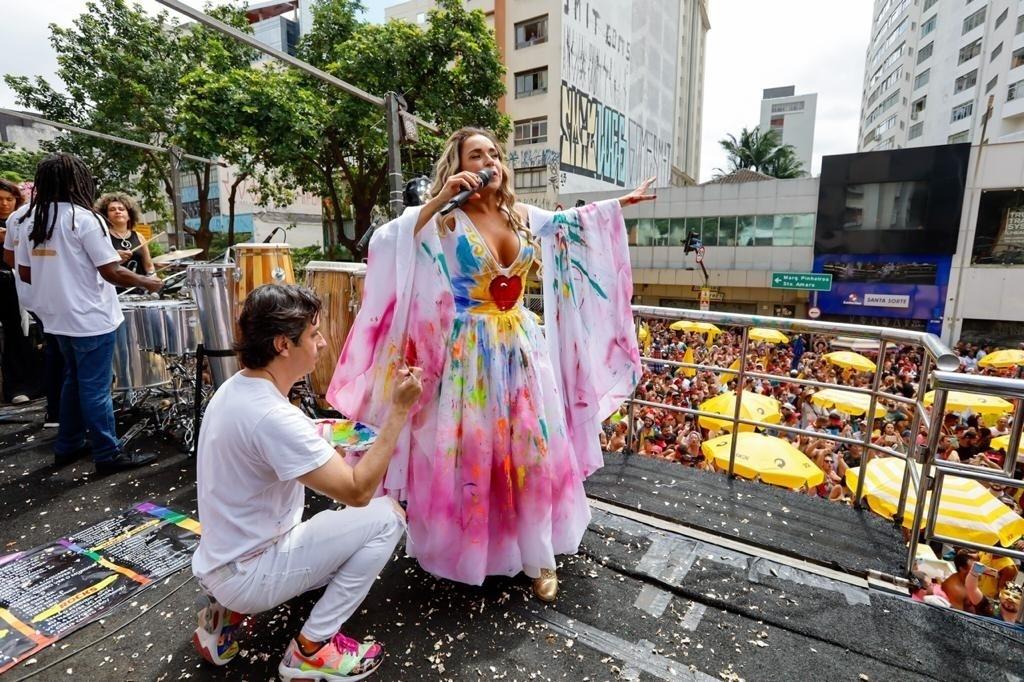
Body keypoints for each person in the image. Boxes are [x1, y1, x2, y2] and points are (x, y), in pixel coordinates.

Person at [328, 127, 648, 601]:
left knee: (530, 453)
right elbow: (390, 242)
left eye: (495, 154)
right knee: (472, 453)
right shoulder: (444, 220)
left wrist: (619, 205)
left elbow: (570, 224)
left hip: (521, 349)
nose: (490, 162)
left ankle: (538, 553)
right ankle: (471, 551)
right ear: (458, 165)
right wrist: (440, 199)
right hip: (466, 359)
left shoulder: (518, 215)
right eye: (477, 155)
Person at [191, 284, 422, 680]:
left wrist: (327, 432)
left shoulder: (237, 388)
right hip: (250, 571)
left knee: (337, 540)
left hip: (220, 561)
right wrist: (399, 412)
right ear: (284, 344)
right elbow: (358, 490)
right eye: (313, 334)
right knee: (387, 517)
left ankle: (225, 618)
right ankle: (312, 648)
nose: (323, 341)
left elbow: (275, 441)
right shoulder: (272, 416)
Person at [13, 153, 163, 472]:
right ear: (77, 182)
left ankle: (68, 445)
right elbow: (111, 272)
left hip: (54, 317)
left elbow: (24, 272)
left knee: (74, 381)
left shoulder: (27, 219)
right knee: (96, 387)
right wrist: (148, 282)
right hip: (89, 317)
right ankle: (108, 454)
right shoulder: (83, 218)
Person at [0, 178, 37, 404]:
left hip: (14, 286)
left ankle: (19, 387)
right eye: (0, 200)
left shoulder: (21, 222)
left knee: (17, 335)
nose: (4, 204)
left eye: (9, 199)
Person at [94, 192, 155, 290]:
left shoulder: (139, 236)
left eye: (121, 209)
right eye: (112, 210)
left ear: (129, 215)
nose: (117, 211)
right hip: (113, 292)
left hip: (140, 292)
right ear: (106, 215)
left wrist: (152, 278)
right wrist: (114, 257)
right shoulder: (102, 236)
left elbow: (149, 266)